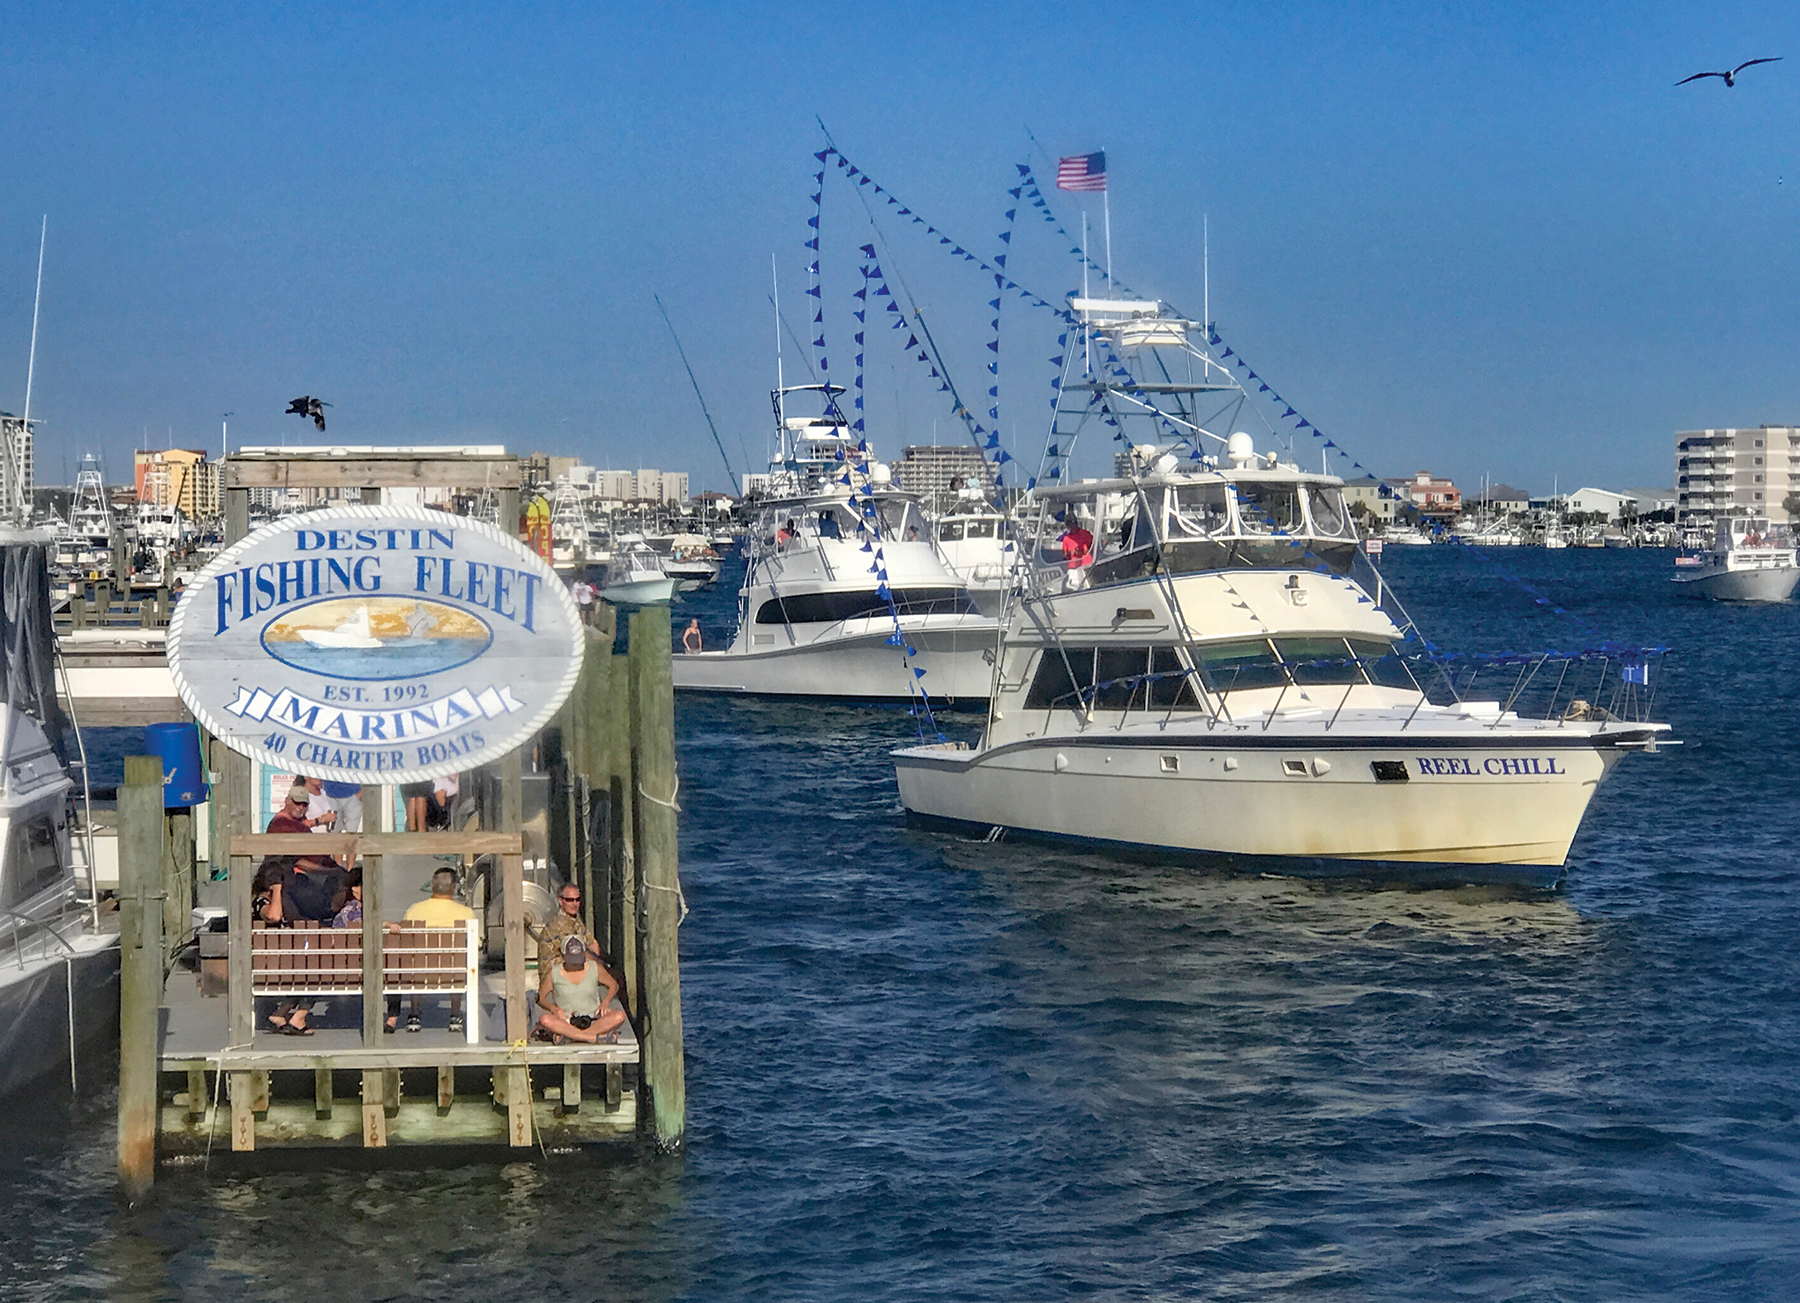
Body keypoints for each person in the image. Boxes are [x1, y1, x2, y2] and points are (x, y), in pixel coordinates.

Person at [395, 867, 478, 1032]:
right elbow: (475, 945)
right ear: (454, 888)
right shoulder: (466, 913)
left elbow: (405, 943)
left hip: (420, 972)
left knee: (415, 960)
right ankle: (455, 1013)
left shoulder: (414, 910)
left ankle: (414, 1013)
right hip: (452, 973)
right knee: (460, 961)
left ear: (432, 886)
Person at [535, 935, 626, 1045]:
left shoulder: (594, 967)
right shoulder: (554, 973)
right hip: (566, 1022)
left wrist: (605, 1002)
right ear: (563, 955)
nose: (576, 964)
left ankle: (573, 1037)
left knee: (619, 1016)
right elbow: (540, 998)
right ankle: (592, 1038)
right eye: (572, 961)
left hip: (593, 1020)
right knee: (545, 1019)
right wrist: (554, 1009)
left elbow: (613, 985)